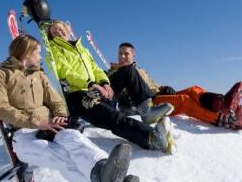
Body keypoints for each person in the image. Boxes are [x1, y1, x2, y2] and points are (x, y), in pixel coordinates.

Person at [0, 34, 139, 182]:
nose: (40, 56)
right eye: (38, 52)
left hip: (50, 126)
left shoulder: (38, 74)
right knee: (61, 156)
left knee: (75, 138)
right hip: (23, 133)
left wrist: (59, 115)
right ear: (26, 52)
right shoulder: (1, 74)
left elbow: (56, 100)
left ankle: (106, 171)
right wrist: (36, 122)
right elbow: (0, 108)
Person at [46, 20, 175, 154]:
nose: (60, 32)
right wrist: (90, 84)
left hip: (97, 89)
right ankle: (150, 137)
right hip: (79, 95)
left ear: (67, 29)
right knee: (112, 116)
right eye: (55, 32)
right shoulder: (53, 50)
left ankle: (146, 111)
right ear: (52, 37)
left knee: (128, 70)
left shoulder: (80, 48)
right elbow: (65, 72)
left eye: (61, 28)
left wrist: (104, 83)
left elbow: (96, 69)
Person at [109, 42, 242, 132]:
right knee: (184, 101)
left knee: (193, 89)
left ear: (133, 55)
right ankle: (228, 120)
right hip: (148, 102)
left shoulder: (140, 70)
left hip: (157, 94)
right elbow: (114, 90)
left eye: (126, 54)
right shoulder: (117, 73)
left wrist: (164, 88)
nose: (122, 57)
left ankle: (221, 103)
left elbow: (153, 85)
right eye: (120, 53)